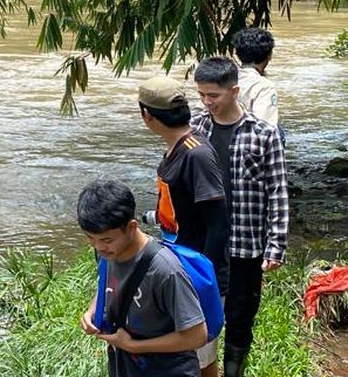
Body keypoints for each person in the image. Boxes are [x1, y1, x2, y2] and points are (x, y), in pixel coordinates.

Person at [190, 57, 288, 377]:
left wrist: (276, 246)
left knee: (241, 315)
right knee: (202, 311)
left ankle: (233, 371)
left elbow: (277, 190)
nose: (207, 102)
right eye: (202, 95)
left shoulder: (263, 134)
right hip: (205, 243)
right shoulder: (197, 127)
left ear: (235, 91)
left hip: (246, 243)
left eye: (213, 95)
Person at [137, 76, 229, 377]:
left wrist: (204, 276)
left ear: (147, 115)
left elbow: (219, 223)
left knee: (202, 359)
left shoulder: (195, 154)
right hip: (181, 266)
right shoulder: (179, 148)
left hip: (198, 274)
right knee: (188, 357)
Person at [78, 179, 208, 377]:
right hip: (127, 366)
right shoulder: (107, 253)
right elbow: (108, 283)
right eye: (90, 239)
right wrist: (92, 310)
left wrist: (134, 346)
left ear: (132, 227)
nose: (98, 247)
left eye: (106, 240)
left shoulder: (165, 269)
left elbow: (197, 336)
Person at [233, 27, 280, 129]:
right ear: (269, 55)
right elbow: (266, 127)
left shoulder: (225, 78)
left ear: (238, 54)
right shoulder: (264, 87)